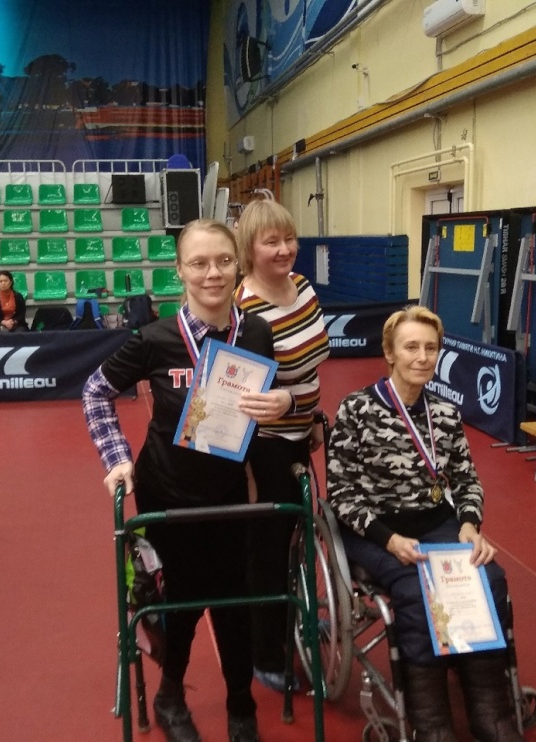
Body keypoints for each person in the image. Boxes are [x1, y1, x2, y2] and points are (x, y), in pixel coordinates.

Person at [83, 219, 293, 742]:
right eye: (199, 263)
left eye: (223, 260)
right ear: (179, 270)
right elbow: (95, 392)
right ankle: (170, 695)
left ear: (238, 265)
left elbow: (271, 398)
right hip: (166, 494)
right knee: (180, 599)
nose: (212, 273)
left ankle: (241, 702)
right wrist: (116, 458)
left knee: (234, 601)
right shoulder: (154, 339)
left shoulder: (258, 332)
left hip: (233, 491)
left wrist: (284, 401)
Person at [326, 306, 522, 742]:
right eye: (411, 347)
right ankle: (431, 723)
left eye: (430, 348)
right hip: (374, 530)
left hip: (437, 524)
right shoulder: (356, 409)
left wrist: (469, 525)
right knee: (417, 593)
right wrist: (388, 539)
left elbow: (466, 480)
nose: (422, 357)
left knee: (488, 580)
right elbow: (341, 494)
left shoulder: (445, 412)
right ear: (389, 353)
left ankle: (491, 712)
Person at [233, 199, 329, 691]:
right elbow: (244, 397)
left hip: (300, 433)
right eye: (271, 241)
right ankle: (265, 653)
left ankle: (294, 618)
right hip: (263, 447)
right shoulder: (244, 312)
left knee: (296, 538)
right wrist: (295, 404)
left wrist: (309, 415)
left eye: (289, 239)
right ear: (249, 249)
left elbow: (310, 365)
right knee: (268, 550)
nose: (284, 249)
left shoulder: (304, 288)